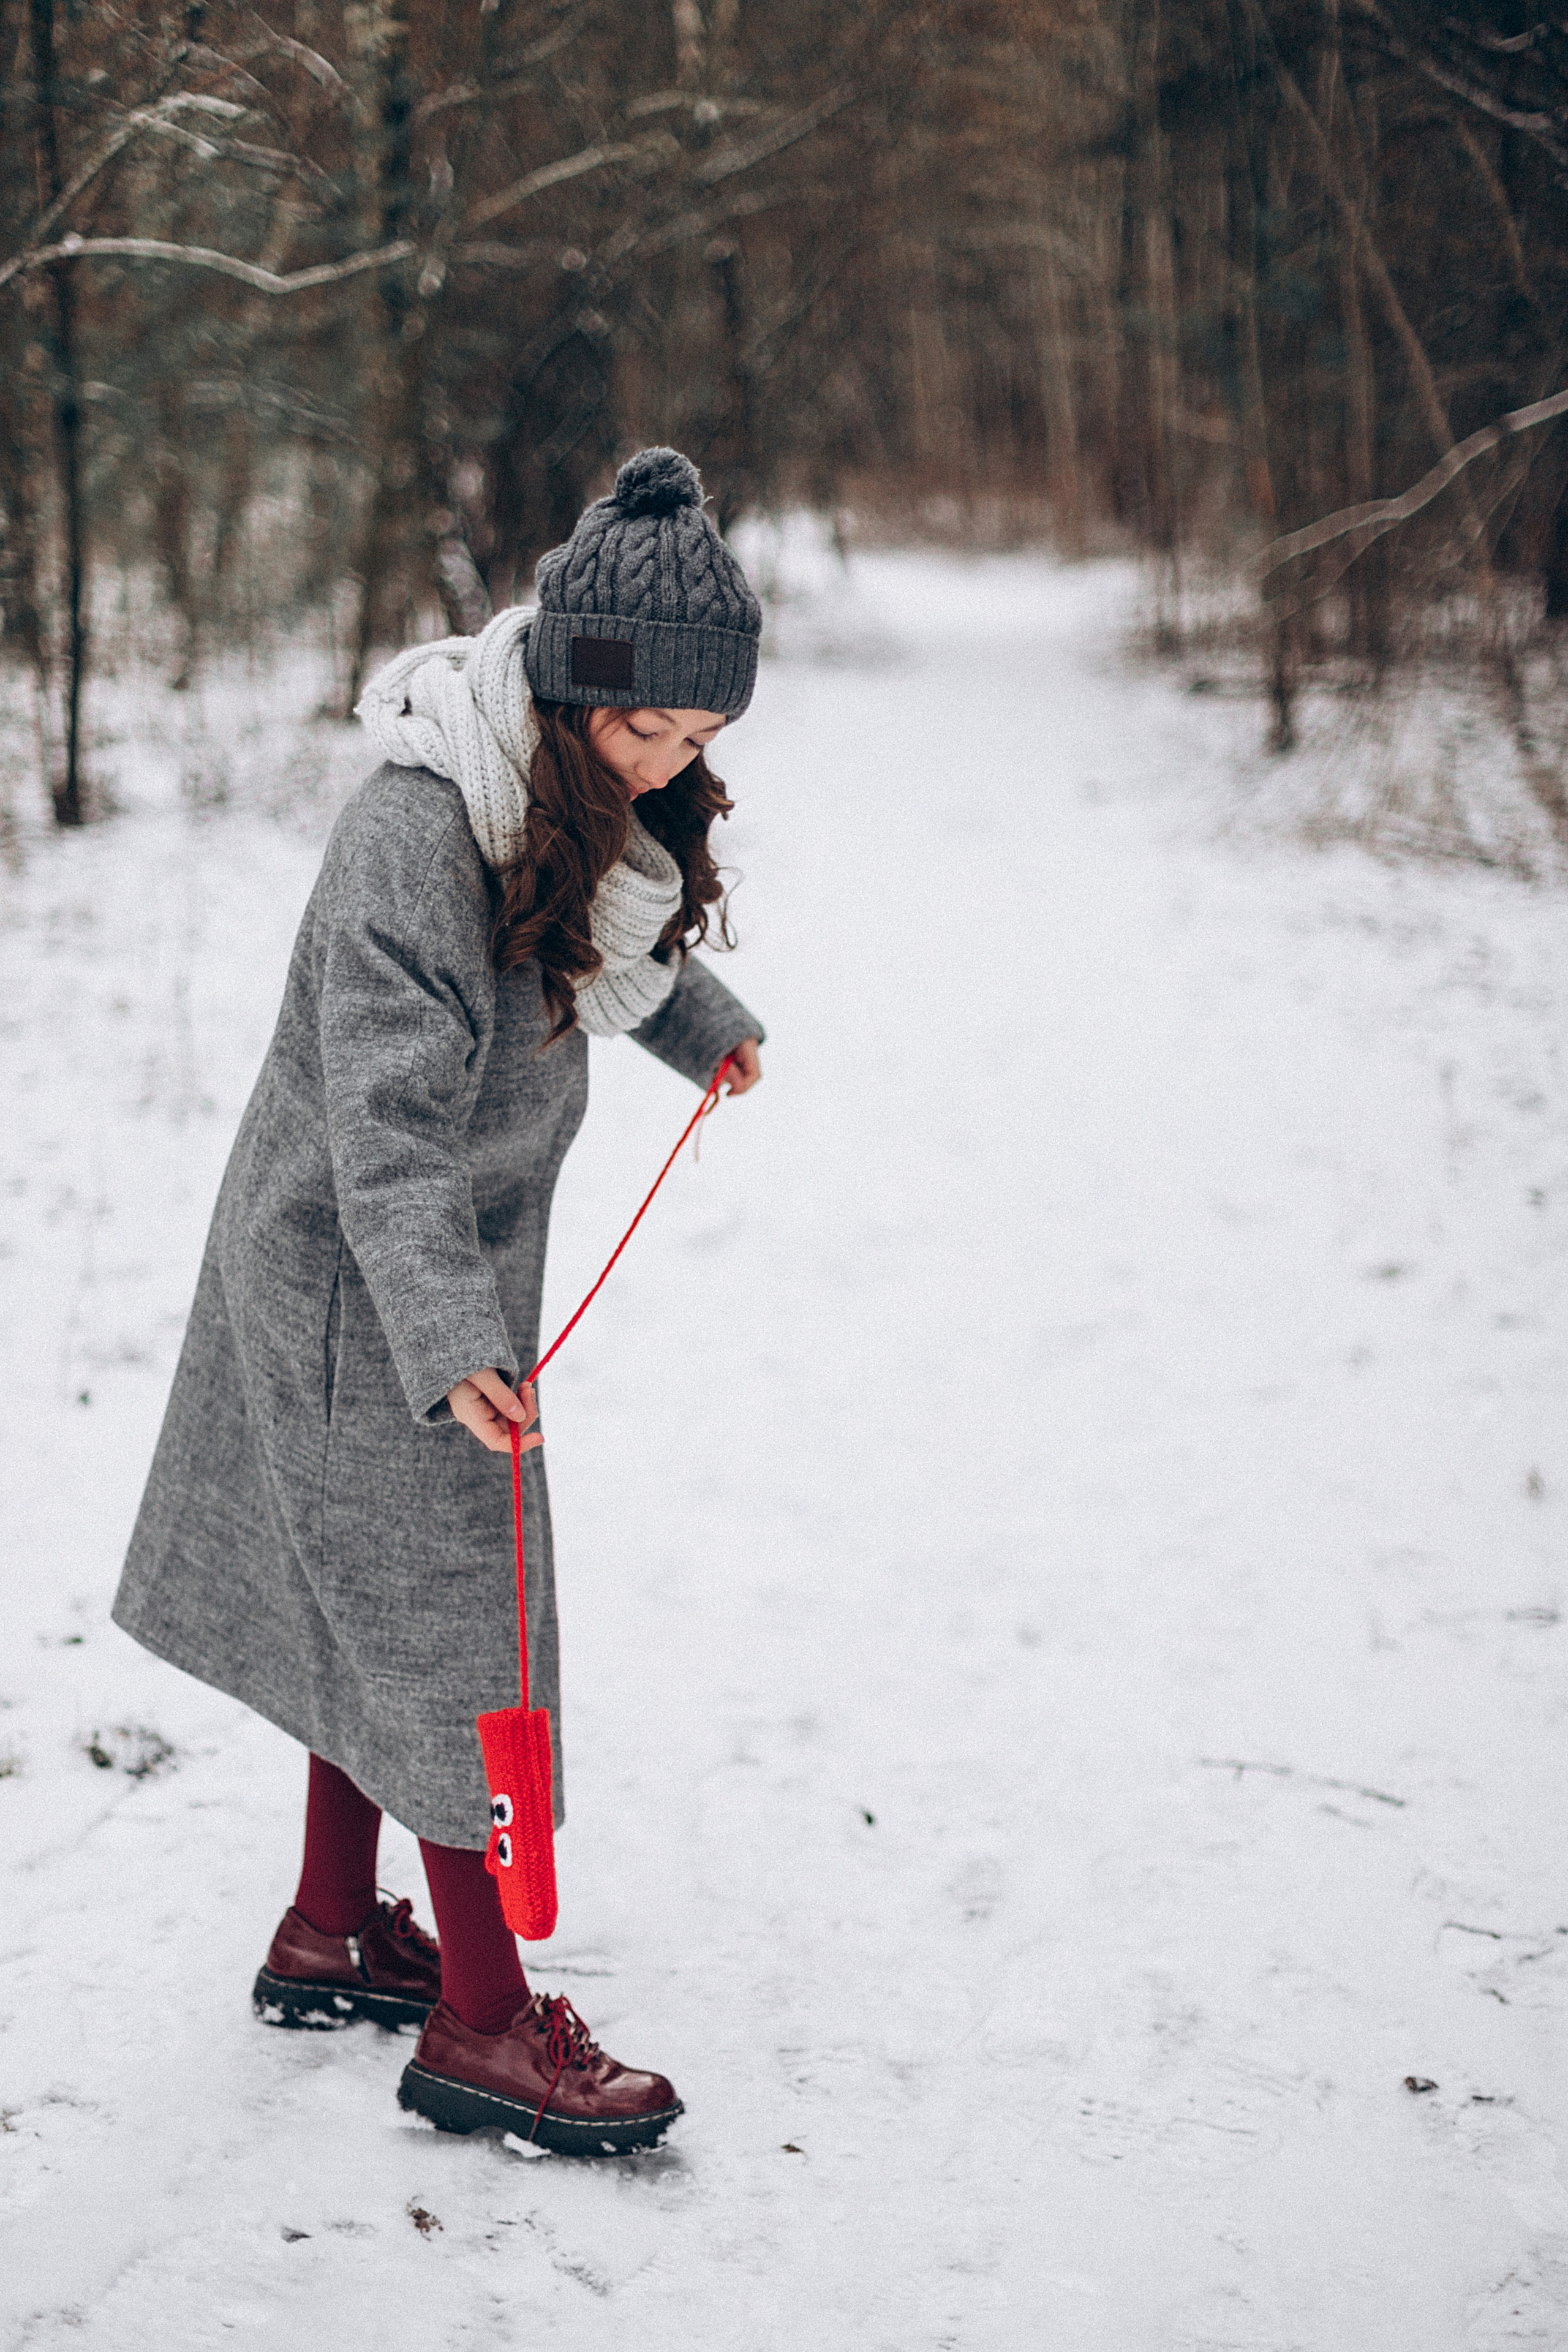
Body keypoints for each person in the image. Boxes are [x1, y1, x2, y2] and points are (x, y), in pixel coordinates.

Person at [112, 448, 765, 2155]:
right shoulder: (419, 830)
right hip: (362, 1282)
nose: (675, 768)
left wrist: (706, 1027)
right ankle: (481, 2021)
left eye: (703, 741)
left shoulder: (564, 805)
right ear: (567, 689)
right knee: (446, 1621)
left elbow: (602, 948)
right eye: (651, 734)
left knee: (363, 1603)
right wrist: (446, 1335)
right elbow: (385, 1124)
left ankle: (334, 1926)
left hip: (418, 1277)